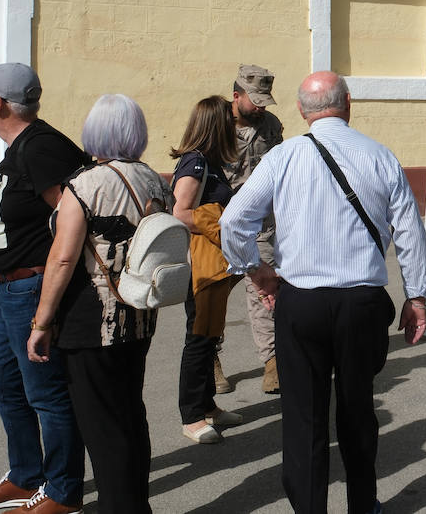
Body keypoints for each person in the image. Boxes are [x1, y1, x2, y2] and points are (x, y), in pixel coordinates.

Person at [220, 71, 426, 514]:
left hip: (301, 301)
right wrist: (416, 296)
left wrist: (258, 273)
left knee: (304, 417)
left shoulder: (284, 156)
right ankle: (363, 506)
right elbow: (410, 233)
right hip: (361, 301)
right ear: (348, 104)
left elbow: (233, 222)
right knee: (358, 409)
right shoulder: (380, 156)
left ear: (302, 111)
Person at [26, 94, 174, 514]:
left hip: (92, 322)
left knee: (101, 425)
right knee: (129, 415)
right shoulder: (153, 181)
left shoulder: (85, 184)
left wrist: (41, 322)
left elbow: (64, 258)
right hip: (140, 314)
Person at [0, 63, 87, 513]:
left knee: (47, 394)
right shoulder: (22, 146)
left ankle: (62, 492)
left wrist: (51, 296)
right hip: (13, 289)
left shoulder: (41, 149)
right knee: (1, 379)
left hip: (34, 287)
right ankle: (24, 476)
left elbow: (74, 218)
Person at [170, 95, 245, 444]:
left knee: (210, 335)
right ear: (216, 125)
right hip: (199, 265)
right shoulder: (195, 163)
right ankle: (191, 416)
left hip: (214, 265)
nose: (235, 125)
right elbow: (181, 211)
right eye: (229, 120)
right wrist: (219, 227)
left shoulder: (209, 162)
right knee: (198, 339)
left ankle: (208, 406)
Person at [221, 64, 285, 395]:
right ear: (236, 96)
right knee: (213, 294)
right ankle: (210, 360)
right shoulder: (215, 125)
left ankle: (273, 362)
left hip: (260, 224)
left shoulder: (271, 125)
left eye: (264, 100)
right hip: (219, 223)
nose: (260, 107)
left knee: (264, 289)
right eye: (254, 100)